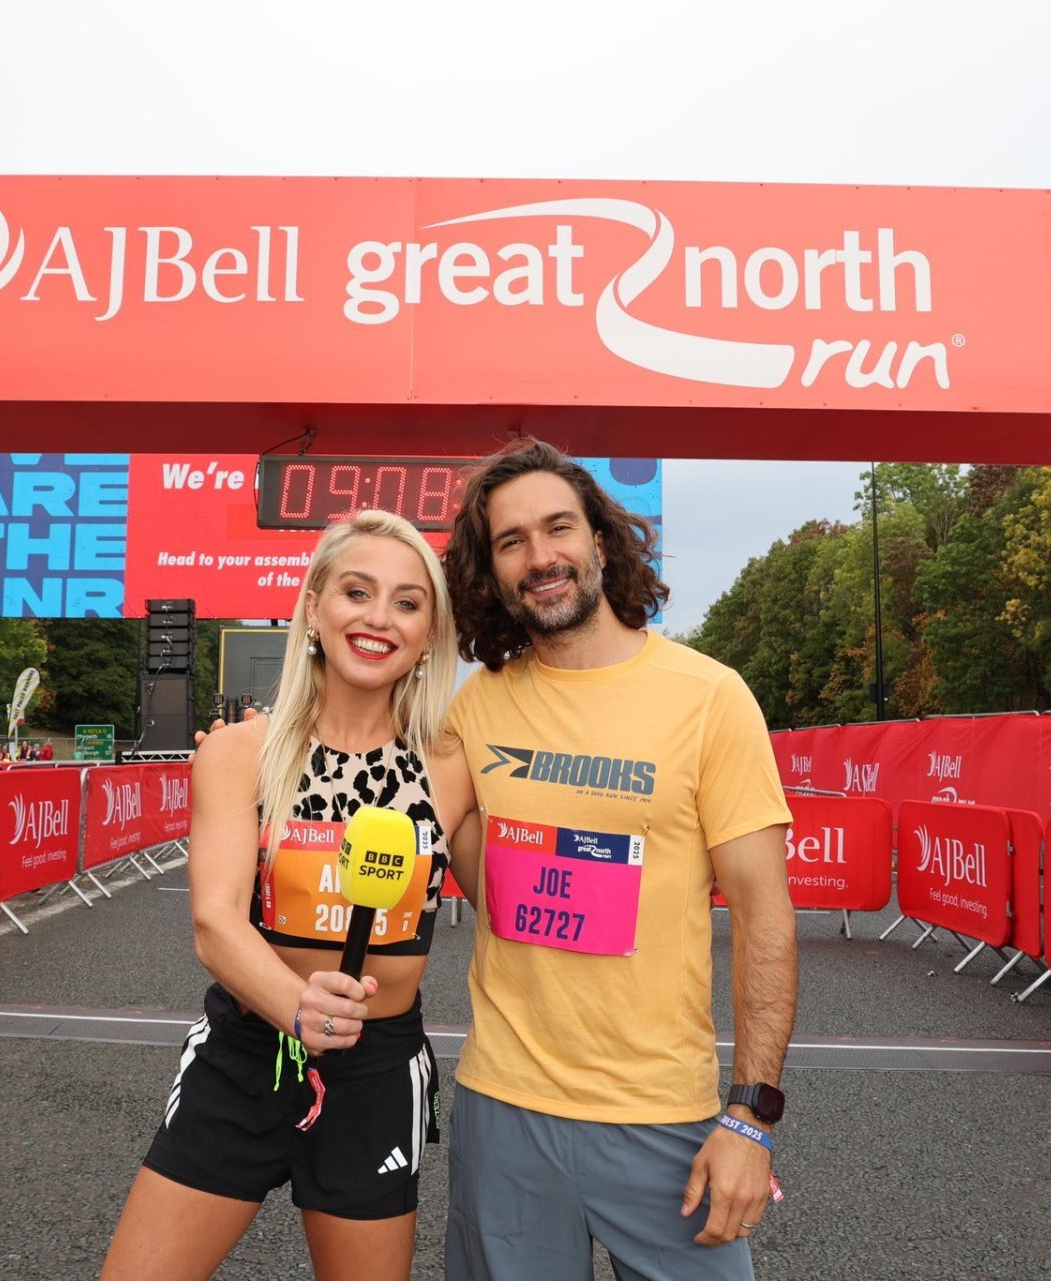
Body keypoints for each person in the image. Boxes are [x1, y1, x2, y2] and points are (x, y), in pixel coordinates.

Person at [439, 438, 798, 1280]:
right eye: (512, 541)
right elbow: (400, 822)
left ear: (599, 540)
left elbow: (764, 914)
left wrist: (750, 1118)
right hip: (506, 1108)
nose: (541, 556)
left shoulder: (709, 697)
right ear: (491, 572)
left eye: (558, 527)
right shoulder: (476, 705)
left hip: (665, 1114)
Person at [101, 509, 476, 1281]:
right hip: (246, 1052)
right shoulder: (240, 751)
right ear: (313, 606)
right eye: (357, 591)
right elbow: (215, 920)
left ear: (429, 633)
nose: (379, 617)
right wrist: (295, 1006)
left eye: (407, 602)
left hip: (377, 1071)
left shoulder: (454, 764)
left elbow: (514, 900)